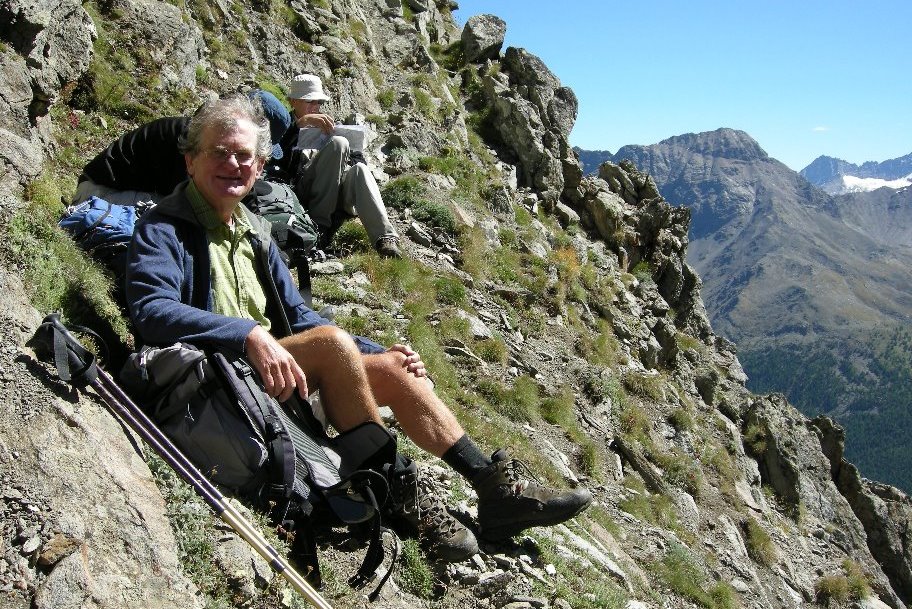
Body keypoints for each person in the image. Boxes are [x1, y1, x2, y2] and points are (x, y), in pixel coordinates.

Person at [125, 95, 591, 562]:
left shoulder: (255, 232)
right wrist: (246, 333)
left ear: (261, 166)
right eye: (219, 152)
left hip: (274, 373)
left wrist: (376, 350)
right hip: (221, 383)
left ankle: (492, 488)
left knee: (391, 367)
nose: (233, 164)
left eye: (244, 155)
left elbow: (300, 317)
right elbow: (151, 309)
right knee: (330, 346)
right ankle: (398, 491)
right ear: (190, 160)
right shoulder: (164, 227)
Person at [267, 74, 402, 258]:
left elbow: (358, 159)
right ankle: (319, 228)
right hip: (300, 195)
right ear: (293, 101)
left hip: (335, 193)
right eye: (309, 101)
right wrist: (298, 127)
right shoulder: (283, 127)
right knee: (339, 143)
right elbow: (276, 162)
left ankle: (385, 238)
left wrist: (343, 158)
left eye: (319, 102)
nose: (315, 107)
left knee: (359, 168)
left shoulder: (329, 126)